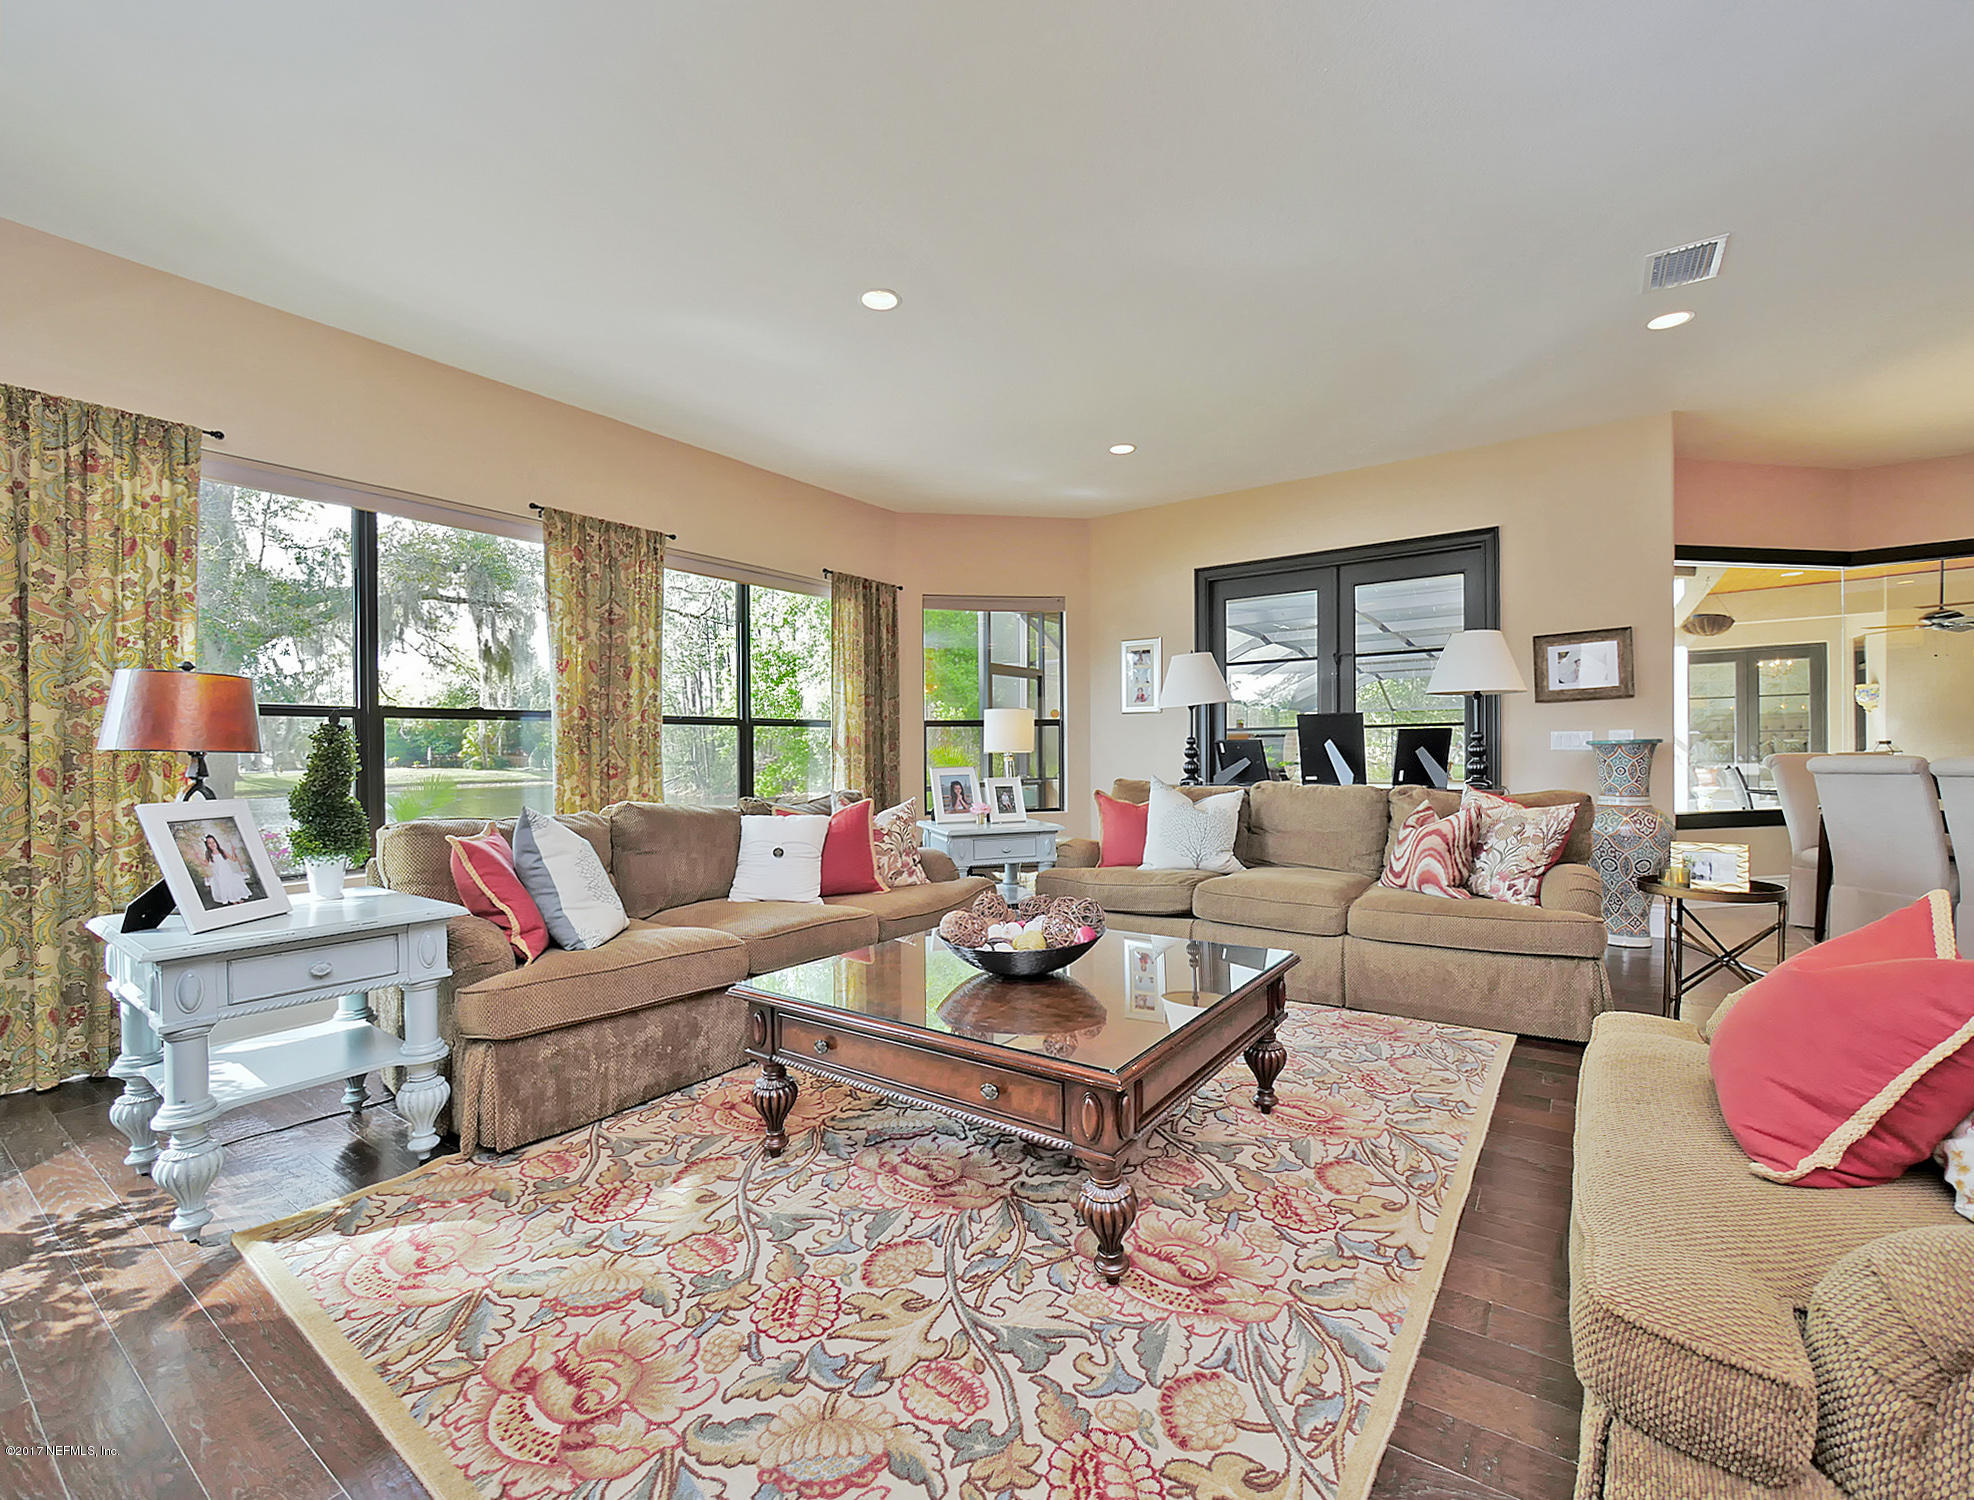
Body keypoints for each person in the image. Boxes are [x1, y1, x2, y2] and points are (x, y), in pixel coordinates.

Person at [202, 832, 254, 905]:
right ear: (207, 845)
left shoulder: (221, 851)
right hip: (219, 874)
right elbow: (206, 864)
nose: (212, 844)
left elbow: (233, 859)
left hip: (227, 871)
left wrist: (233, 851)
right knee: (224, 885)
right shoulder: (208, 854)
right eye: (209, 843)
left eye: (213, 842)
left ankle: (236, 898)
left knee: (231, 884)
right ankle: (232, 900)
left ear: (216, 842)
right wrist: (200, 860)